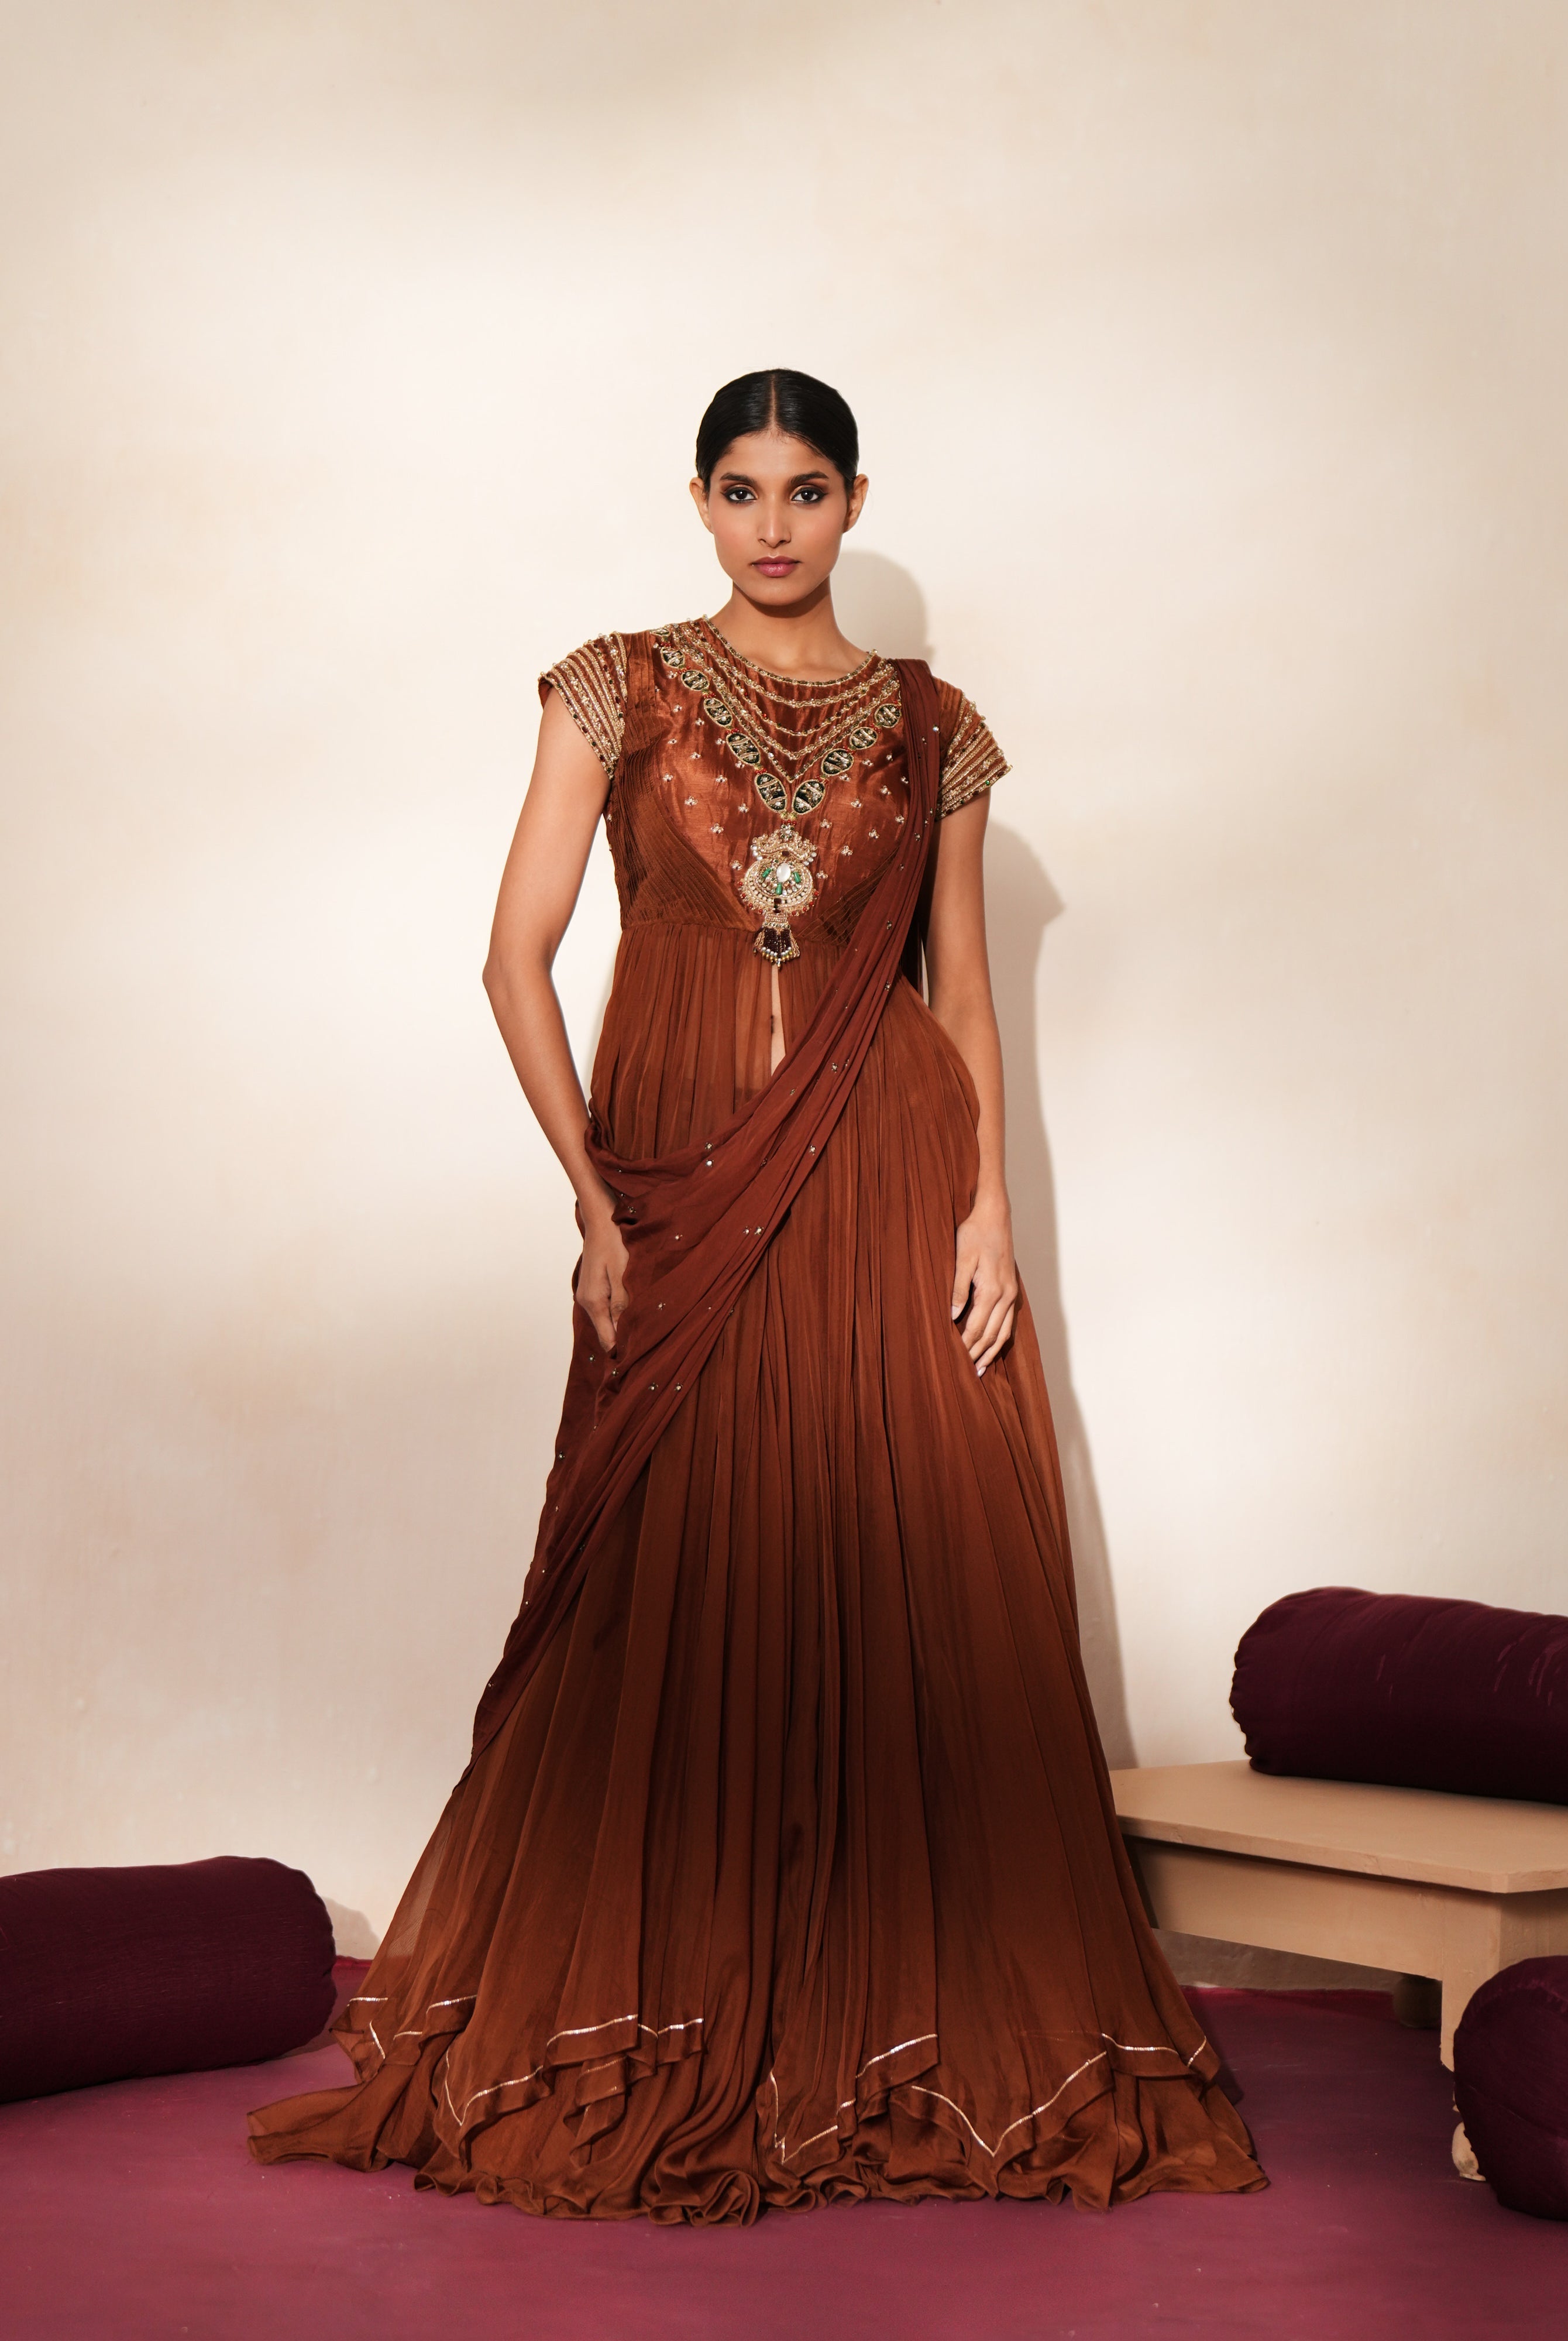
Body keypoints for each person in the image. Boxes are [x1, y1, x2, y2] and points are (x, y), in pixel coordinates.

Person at [249, 369, 1264, 2223]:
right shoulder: (612, 687)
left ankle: (895, 2022)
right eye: (742, 488)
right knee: (664, 1571)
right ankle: (656, 2009)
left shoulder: (935, 725)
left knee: (910, 1564)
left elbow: (962, 999)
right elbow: (515, 956)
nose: (774, 522)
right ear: (698, 502)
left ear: (856, 502)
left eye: (807, 488)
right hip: (676, 1180)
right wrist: (591, 1197)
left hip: (884, 1176)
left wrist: (988, 1219)